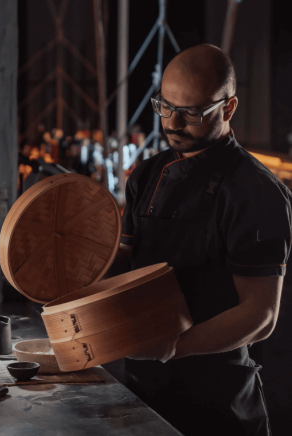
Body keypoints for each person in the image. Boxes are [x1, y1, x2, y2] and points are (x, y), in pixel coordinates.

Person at [118, 44, 291, 436]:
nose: (173, 123)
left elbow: (260, 315)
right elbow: (126, 262)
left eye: (192, 112)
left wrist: (172, 347)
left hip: (218, 402)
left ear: (228, 109)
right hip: (139, 393)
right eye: (164, 106)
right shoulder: (145, 176)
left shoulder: (254, 191)